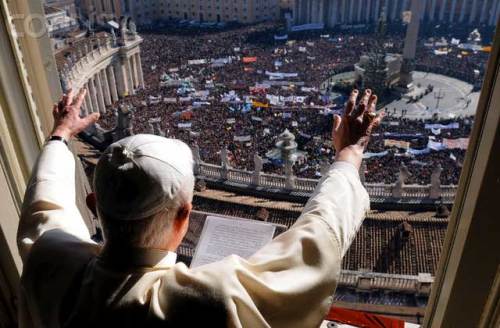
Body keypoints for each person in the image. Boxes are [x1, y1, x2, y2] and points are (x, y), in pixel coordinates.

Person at [17, 88, 381, 327]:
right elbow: (314, 242)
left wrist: (60, 134)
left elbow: (46, 206)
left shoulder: (48, 263)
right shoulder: (207, 301)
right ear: (183, 216)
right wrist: (349, 154)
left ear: (93, 205)